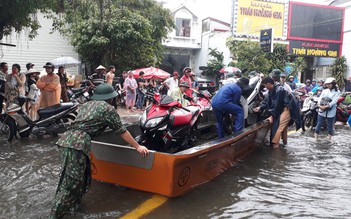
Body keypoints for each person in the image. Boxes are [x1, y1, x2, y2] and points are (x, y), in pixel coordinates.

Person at [50, 84, 149, 219]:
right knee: (71, 184)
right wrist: (138, 147)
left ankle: (72, 209)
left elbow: (89, 124)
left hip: (66, 141)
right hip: (77, 144)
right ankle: (55, 215)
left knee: (78, 178)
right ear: (110, 98)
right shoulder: (108, 109)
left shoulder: (86, 105)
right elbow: (121, 131)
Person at [253, 77, 301, 148]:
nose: (265, 87)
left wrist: (272, 116)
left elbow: (276, 105)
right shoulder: (271, 90)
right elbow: (266, 101)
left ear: (269, 84)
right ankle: (285, 144)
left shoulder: (279, 90)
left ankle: (275, 145)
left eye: (265, 85)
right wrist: (260, 107)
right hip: (281, 108)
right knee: (284, 127)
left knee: (278, 125)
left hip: (288, 108)